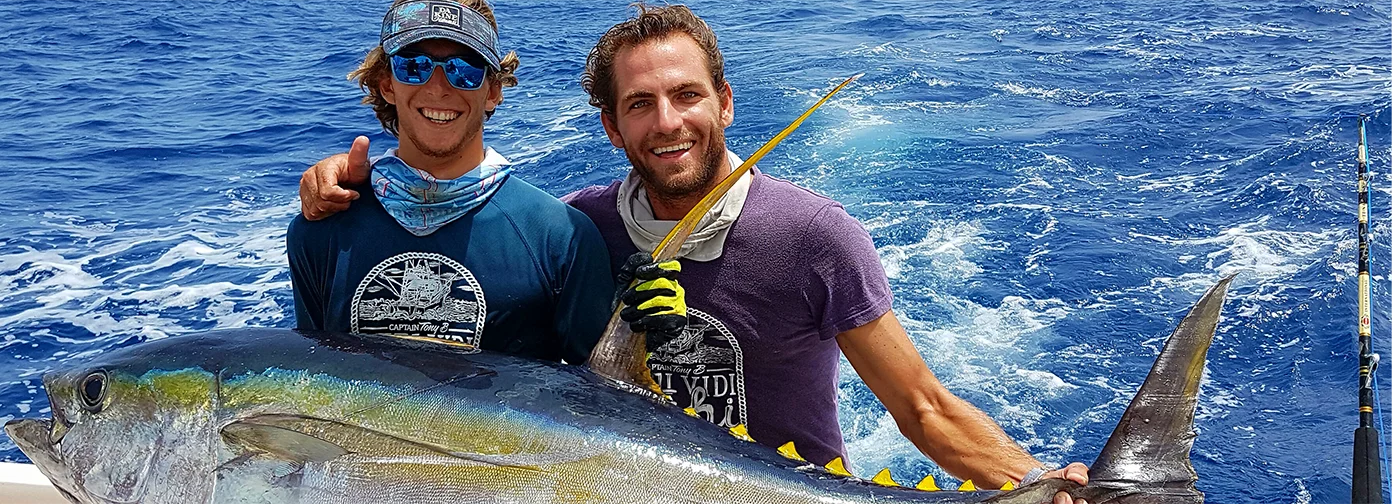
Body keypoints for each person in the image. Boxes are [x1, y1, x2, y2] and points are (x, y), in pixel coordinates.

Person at [298, 4, 1089, 501]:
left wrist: (1040, 483)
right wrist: (346, 183)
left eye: (686, 96)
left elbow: (923, 407)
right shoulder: (579, 227)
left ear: (725, 103)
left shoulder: (816, 236)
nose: (667, 122)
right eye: (640, 104)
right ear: (612, 128)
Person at [287, 0, 615, 366]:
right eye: (414, 66)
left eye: (464, 69)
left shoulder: (562, 238)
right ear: (387, 84)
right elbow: (311, 374)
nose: (439, 88)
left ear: (493, 91)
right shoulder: (319, 231)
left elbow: (600, 389)